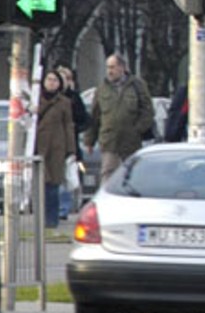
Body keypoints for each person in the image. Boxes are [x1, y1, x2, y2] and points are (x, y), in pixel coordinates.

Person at [86, 53, 154, 179]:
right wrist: (89, 141)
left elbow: (148, 112)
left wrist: (137, 130)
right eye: (107, 67)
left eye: (112, 67)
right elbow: (95, 117)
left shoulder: (137, 86)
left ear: (122, 68)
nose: (109, 71)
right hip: (109, 141)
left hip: (131, 143)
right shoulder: (102, 89)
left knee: (131, 176)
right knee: (108, 175)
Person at [33, 70, 76, 229]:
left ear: (60, 84)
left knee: (53, 185)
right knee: (41, 185)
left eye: (55, 80)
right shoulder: (35, 101)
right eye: (49, 79)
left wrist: (71, 150)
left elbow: (69, 125)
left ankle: (51, 220)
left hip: (57, 148)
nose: (51, 83)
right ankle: (41, 218)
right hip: (39, 148)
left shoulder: (64, 102)